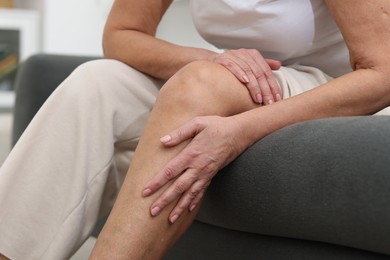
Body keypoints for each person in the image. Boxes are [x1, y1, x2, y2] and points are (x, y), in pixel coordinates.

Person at [1, 0, 390, 259]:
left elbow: (382, 72)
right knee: (96, 82)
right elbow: (121, 33)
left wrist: (241, 129)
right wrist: (212, 58)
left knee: (200, 84)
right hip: (237, 77)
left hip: (333, 88)